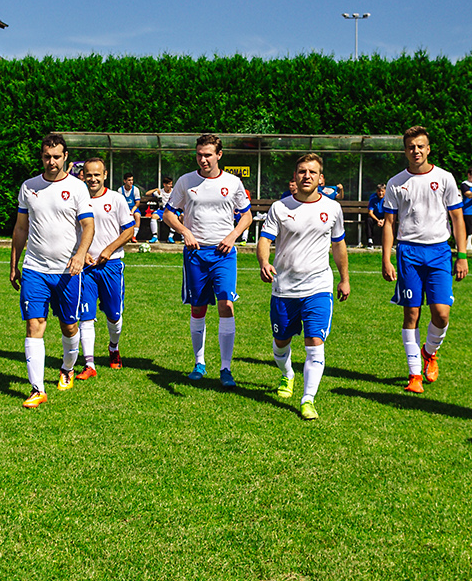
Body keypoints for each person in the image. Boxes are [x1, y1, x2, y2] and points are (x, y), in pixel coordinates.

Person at [258, 153, 351, 420]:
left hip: (319, 286)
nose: (306, 176)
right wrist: (264, 261)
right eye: (301, 171)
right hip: (284, 288)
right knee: (280, 342)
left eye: (312, 172)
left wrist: (344, 278)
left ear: (321, 179)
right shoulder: (280, 207)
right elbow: (265, 239)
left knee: (314, 342)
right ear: (295, 176)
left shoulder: (333, 208)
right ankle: (287, 374)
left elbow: (339, 245)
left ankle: (308, 399)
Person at [381, 125, 469, 394]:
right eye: (411, 146)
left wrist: (462, 255)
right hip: (408, 252)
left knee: (441, 314)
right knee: (412, 313)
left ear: (428, 149)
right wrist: (386, 258)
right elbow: (388, 222)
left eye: (420, 146)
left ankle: (430, 351)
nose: (416, 150)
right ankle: (414, 374)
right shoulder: (396, 182)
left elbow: (457, 218)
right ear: (405, 150)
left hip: (439, 251)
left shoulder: (445, 178)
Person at [10, 133, 95, 407]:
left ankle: (68, 368)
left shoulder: (78, 188)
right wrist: (14, 263)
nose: (52, 162)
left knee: (69, 326)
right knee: (34, 324)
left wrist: (80, 255)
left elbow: (88, 226)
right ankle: (37, 390)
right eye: (47, 156)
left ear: (66, 157)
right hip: (35, 268)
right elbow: (21, 227)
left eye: (57, 156)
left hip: (68, 270)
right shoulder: (29, 187)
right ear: (42, 157)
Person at [164, 133, 253, 386]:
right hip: (195, 254)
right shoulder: (186, 181)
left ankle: (225, 369)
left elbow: (246, 215)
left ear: (219, 155)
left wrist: (234, 235)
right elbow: (169, 214)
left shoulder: (233, 182)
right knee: (198, 308)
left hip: (224, 253)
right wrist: (185, 231)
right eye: (199, 155)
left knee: (227, 305)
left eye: (208, 155)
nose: (203, 160)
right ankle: (199, 363)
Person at [74, 157, 137, 377]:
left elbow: (129, 231)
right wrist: (80, 254)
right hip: (86, 267)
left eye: (96, 175)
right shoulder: (77, 198)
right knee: (86, 315)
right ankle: (89, 364)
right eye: (88, 175)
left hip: (111, 265)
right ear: (83, 176)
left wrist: (109, 250)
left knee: (114, 315)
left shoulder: (116, 199)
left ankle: (113, 347)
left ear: (105, 175)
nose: (92, 179)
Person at [143, 178, 173, 243]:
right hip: (161, 211)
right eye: (169, 184)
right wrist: (156, 189)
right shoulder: (160, 192)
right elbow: (147, 193)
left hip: (170, 210)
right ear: (164, 184)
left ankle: (170, 237)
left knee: (175, 217)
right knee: (153, 216)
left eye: (171, 184)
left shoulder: (174, 192)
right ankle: (155, 237)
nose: (171, 186)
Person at [118, 173, 142, 242]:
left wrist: (132, 211)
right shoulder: (120, 190)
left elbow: (137, 203)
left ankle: (134, 236)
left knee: (137, 216)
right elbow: (120, 203)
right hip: (124, 208)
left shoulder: (135, 189)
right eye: (129, 180)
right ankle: (122, 235)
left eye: (132, 180)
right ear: (125, 181)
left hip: (133, 208)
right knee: (119, 216)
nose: (131, 182)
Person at [365, 183, 385, 248]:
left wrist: (383, 220)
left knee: (392, 221)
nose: (380, 193)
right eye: (379, 191)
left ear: (385, 191)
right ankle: (370, 241)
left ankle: (391, 243)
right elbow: (370, 212)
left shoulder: (388, 198)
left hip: (385, 217)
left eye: (382, 191)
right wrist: (378, 220)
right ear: (377, 191)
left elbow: (390, 212)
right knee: (368, 220)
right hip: (375, 217)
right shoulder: (373, 198)